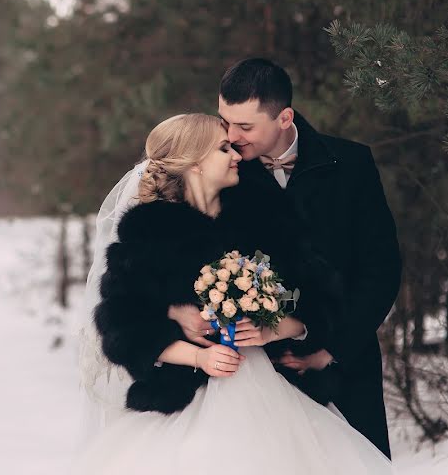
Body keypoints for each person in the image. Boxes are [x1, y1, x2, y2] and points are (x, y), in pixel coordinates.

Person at [74, 113, 392, 474]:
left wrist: (280, 327)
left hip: (273, 393)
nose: (238, 155)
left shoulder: (260, 220)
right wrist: (195, 352)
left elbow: (320, 297)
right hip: (181, 399)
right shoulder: (148, 237)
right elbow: (122, 332)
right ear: (194, 164)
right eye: (224, 148)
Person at [167, 58, 401, 457]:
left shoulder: (351, 165)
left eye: (245, 126)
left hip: (344, 357)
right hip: (256, 372)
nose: (231, 135)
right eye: (225, 121)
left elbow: (381, 270)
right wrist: (179, 310)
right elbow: (181, 257)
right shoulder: (224, 172)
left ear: (284, 117)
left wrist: (328, 350)